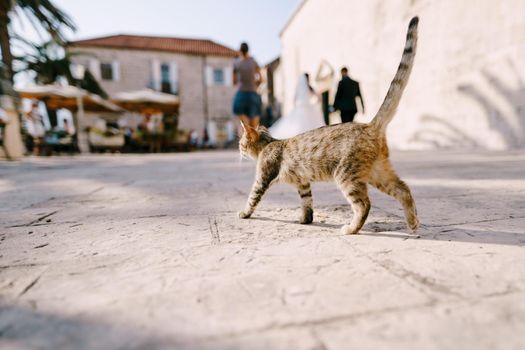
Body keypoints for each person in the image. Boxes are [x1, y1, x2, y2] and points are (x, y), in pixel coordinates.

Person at [269, 73, 326, 139]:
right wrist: (314, 103)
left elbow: (294, 99)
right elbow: (318, 97)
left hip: (300, 107)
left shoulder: (298, 88)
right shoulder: (310, 88)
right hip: (307, 107)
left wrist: (297, 107)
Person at [232, 42, 262, 132]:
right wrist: (255, 84)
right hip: (252, 93)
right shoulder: (253, 62)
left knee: (245, 126)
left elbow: (234, 81)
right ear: (248, 50)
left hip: (241, 93)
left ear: (240, 51)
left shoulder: (236, 63)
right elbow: (260, 78)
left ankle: (246, 139)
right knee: (254, 126)